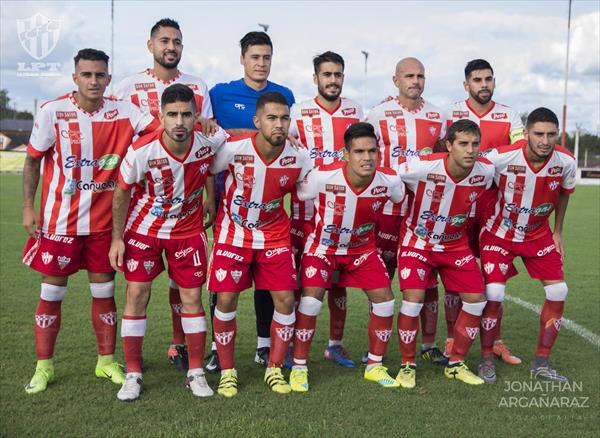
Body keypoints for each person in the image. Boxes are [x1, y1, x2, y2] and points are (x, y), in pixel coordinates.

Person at [21, 48, 159, 394]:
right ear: (75, 77)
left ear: (109, 79)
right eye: (87, 75)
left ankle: (106, 362)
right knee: (51, 294)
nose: (94, 81)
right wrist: (27, 207)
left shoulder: (125, 111)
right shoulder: (53, 112)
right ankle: (44, 367)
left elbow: (162, 129)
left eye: (100, 75)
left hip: (103, 227)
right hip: (58, 224)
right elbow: (32, 162)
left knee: (104, 293)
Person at [109, 84, 226, 401]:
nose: (179, 122)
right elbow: (121, 192)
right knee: (136, 295)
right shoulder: (143, 150)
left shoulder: (210, 142)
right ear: (160, 116)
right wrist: (117, 238)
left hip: (188, 233)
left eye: (186, 115)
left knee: (192, 298)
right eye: (172, 115)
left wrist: (210, 200)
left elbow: (242, 146)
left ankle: (196, 372)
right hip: (145, 230)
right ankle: (133, 373)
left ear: (196, 117)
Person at [114, 17, 215, 372]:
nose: (170, 47)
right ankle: (131, 365)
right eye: (164, 41)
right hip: (145, 204)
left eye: (176, 41)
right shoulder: (128, 86)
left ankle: (179, 346)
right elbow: (117, 135)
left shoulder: (198, 86)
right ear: (151, 45)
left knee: (183, 283)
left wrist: (209, 195)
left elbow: (207, 144)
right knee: (137, 289)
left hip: (186, 208)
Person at [208, 91, 311, 397]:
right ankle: (228, 371)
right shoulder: (234, 148)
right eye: (271, 118)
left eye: (284, 118)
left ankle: (275, 368)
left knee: (285, 300)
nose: (279, 125)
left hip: (274, 234)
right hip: (233, 233)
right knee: (226, 301)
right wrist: (208, 202)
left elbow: (307, 190)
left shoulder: (299, 156)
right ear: (257, 122)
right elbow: (208, 168)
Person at [289, 122, 404, 392]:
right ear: (346, 154)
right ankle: (299, 367)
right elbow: (302, 192)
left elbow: (398, 197)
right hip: (323, 249)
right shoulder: (322, 176)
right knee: (309, 303)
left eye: (372, 151)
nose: (367, 158)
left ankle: (375, 366)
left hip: (362, 251)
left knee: (386, 302)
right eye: (359, 152)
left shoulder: (389, 180)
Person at [207, 31, 295, 371]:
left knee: (266, 277)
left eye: (266, 57)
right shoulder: (220, 93)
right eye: (255, 57)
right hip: (229, 198)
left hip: (269, 200)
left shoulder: (283, 95)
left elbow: (287, 138)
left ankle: (263, 344)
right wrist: (209, 198)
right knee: (224, 280)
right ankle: (218, 348)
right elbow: (211, 135)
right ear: (242, 58)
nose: (261, 63)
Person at [478, 107, 576, 383]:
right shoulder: (501, 157)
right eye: (539, 134)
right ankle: (486, 357)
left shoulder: (566, 161)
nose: (545, 141)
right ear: (527, 133)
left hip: (538, 236)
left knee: (559, 290)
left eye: (551, 135)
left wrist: (558, 231)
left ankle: (542, 361)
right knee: (494, 293)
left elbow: (565, 194)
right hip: (499, 234)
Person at [395, 119, 494, 388]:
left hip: (455, 245)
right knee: (413, 301)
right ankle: (407, 365)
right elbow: (388, 175)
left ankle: (456, 363)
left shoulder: (485, 172)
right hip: (418, 242)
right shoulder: (422, 167)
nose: (470, 150)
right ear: (449, 145)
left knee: (476, 299)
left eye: (475, 144)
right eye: (463, 144)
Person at [367, 57, 447, 365]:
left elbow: (444, 154)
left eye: (420, 76)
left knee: (427, 282)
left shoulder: (437, 116)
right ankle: (378, 347)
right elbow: (365, 151)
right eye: (409, 76)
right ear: (395, 80)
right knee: (381, 280)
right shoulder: (378, 113)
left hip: (424, 210)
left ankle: (428, 345)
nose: (415, 81)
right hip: (387, 208)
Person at [445, 59, 525, 364]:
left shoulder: (509, 115)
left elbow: (519, 149)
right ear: (466, 85)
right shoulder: (450, 113)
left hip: (494, 210)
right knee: (455, 276)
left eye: (488, 79)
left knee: (494, 280)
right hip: (457, 206)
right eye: (477, 80)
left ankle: (496, 341)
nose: (484, 85)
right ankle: (452, 338)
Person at [289, 51, 363, 368]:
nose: (332, 80)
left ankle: (334, 344)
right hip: (302, 213)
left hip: (341, 215)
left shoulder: (356, 111)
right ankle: (293, 345)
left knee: (338, 283)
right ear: (315, 78)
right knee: (297, 285)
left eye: (338, 75)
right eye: (327, 74)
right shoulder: (299, 111)